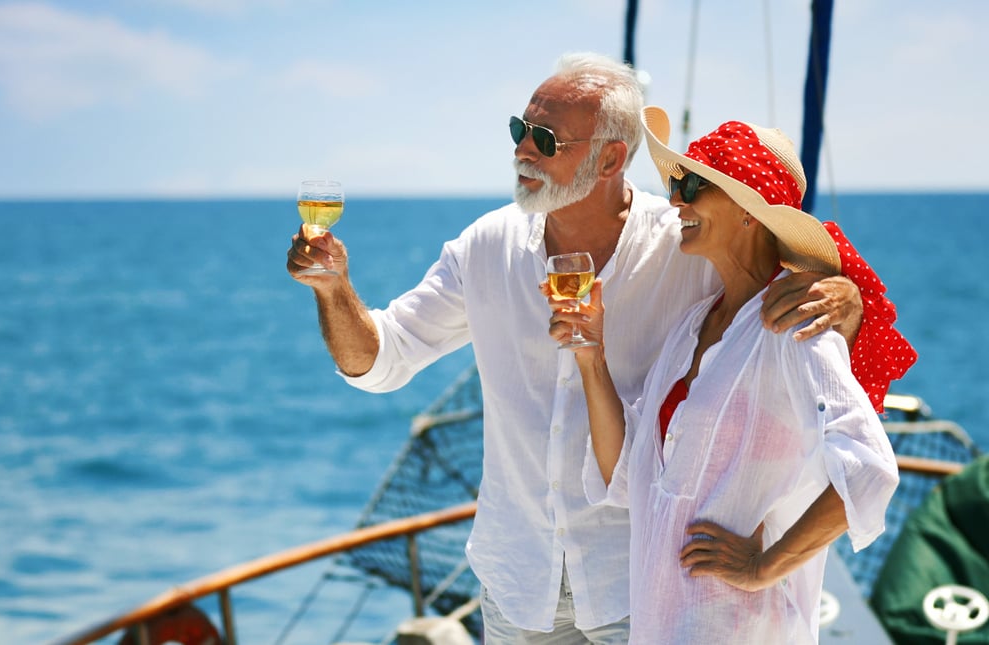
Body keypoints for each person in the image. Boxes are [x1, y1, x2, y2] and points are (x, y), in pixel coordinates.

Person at [286, 52, 914, 643]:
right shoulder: (486, 247)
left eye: (547, 139)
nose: (523, 150)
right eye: (519, 129)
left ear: (613, 159)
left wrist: (846, 300)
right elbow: (380, 361)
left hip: (643, 580)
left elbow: (779, 276)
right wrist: (334, 289)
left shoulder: (687, 244)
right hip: (516, 581)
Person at [552, 106, 900, 643]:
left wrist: (764, 567)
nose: (675, 200)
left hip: (745, 627)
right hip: (664, 623)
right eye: (675, 183)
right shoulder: (693, 326)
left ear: (748, 209)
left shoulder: (794, 328)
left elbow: (871, 468)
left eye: (692, 184)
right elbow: (625, 472)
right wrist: (590, 357)